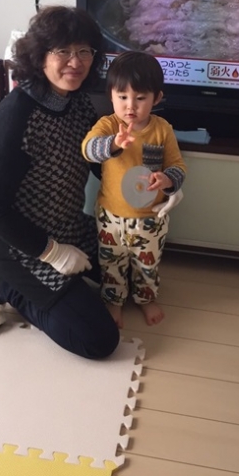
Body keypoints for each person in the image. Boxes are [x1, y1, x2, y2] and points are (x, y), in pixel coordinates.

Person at [0, 5, 120, 360]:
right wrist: (54, 254)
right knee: (98, 340)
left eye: (84, 51)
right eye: (63, 51)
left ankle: (59, 283)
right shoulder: (16, 115)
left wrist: (144, 182)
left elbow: (96, 163)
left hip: (67, 225)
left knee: (131, 276)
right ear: (40, 56)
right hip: (19, 244)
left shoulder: (78, 103)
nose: (75, 62)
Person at [82, 51, 186, 328]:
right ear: (111, 95)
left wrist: (167, 179)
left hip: (150, 217)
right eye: (122, 97)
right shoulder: (108, 125)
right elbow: (88, 150)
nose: (131, 106)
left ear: (157, 98)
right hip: (111, 216)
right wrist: (114, 144)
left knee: (147, 264)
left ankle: (146, 297)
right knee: (111, 262)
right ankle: (114, 300)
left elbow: (177, 165)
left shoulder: (162, 129)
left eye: (140, 98)